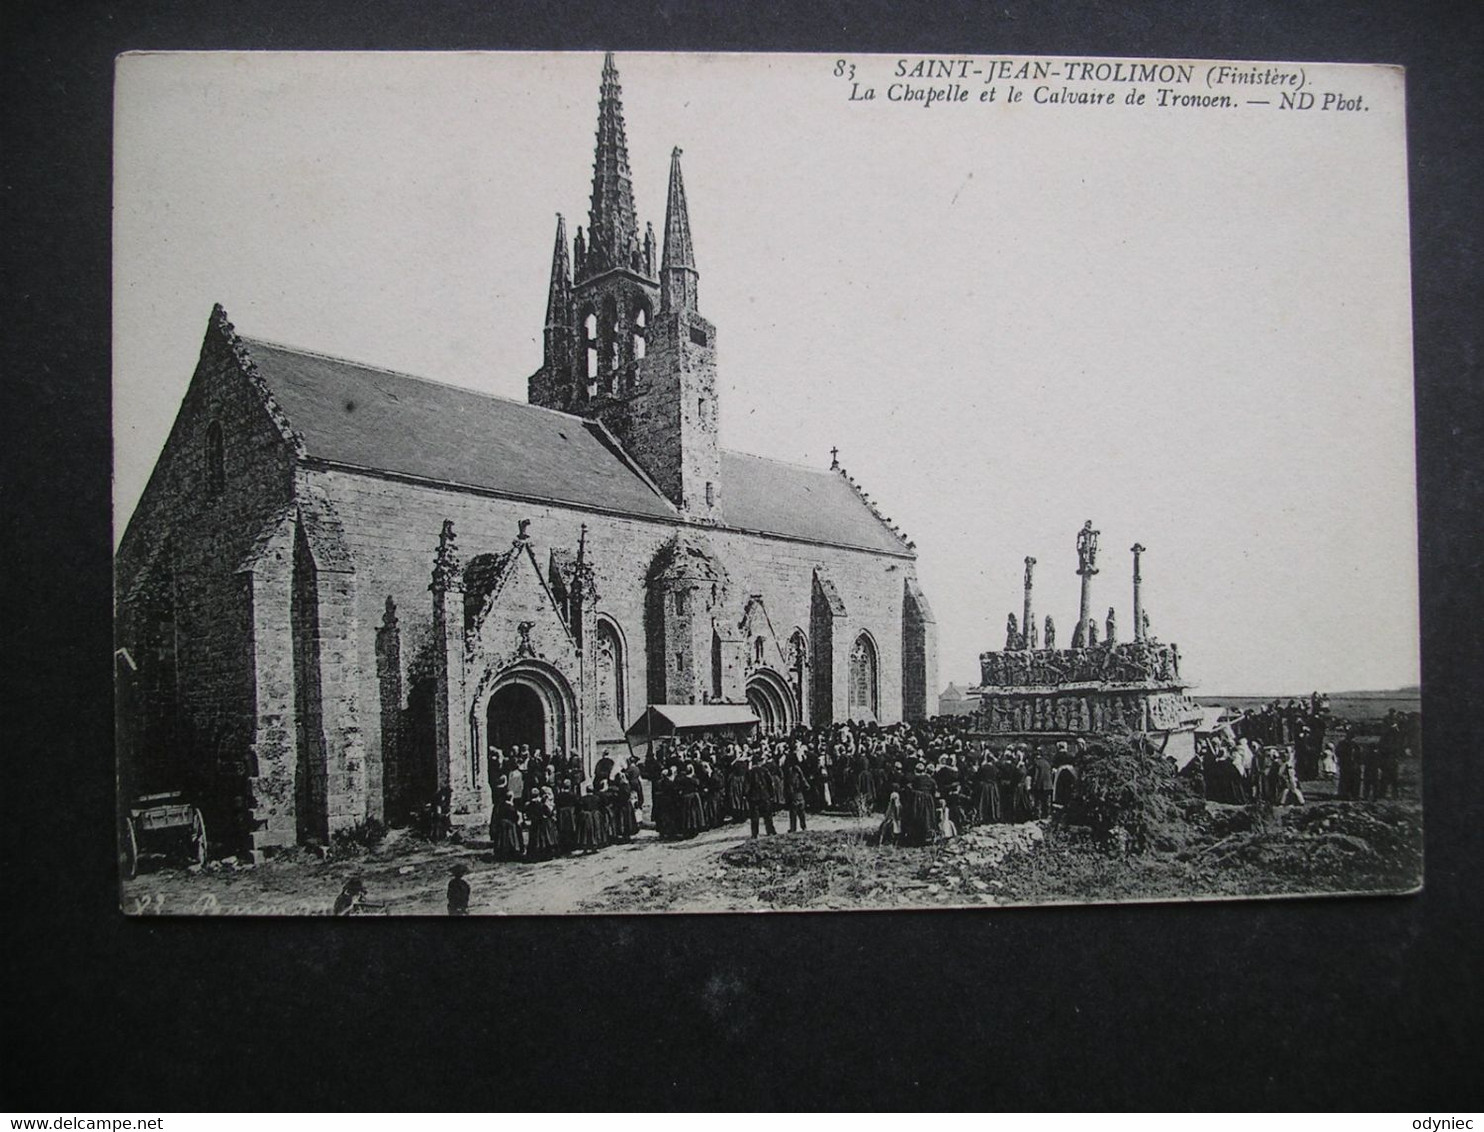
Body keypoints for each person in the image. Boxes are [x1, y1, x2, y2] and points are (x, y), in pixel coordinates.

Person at [745, 754, 777, 838]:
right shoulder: (765, 770)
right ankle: (770, 831)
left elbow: (747, 786)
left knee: (754, 817)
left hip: (753, 797)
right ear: (760, 762)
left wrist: (746, 796)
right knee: (768, 815)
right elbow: (770, 783)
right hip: (765, 795)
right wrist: (771, 794)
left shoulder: (749, 772)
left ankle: (755, 834)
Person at [783, 756, 810, 833]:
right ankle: (803, 826)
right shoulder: (798, 770)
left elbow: (789, 783)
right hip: (800, 792)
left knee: (793, 812)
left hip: (794, 793)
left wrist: (788, 794)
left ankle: (793, 828)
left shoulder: (790, 771)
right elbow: (804, 781)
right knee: (801, 811)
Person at [1031, 748, 1055, 819]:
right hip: (1048, 785)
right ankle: (1046, 815)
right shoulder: (1047, 763)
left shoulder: (1036, 763)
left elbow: (1036, 775)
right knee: (1046, 801)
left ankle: (1037, 815)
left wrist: (1034, 784)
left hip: (1040, 785)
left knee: (1037, 801)